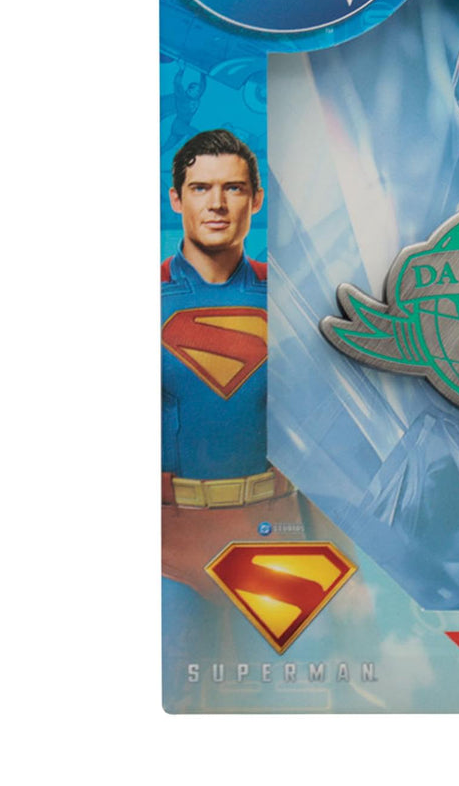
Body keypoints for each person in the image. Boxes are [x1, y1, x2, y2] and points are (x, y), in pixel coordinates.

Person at [161, 129, 299, 605]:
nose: (217, 204)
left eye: (233, 188)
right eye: (201, 188)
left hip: (272, 528)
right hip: (167, 539)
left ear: (256, 199)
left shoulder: (291, 297)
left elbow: (325, 436)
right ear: (176, 199)